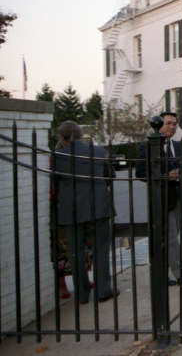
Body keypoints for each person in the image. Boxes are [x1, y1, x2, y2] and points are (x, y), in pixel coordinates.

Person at [52, 121, 116, 304]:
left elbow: (54, 183)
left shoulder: (58, 156)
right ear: (80, 135)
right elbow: (109, 175)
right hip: (98, 206)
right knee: (101, 249)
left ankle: (82, 293)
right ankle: (103, 290)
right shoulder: (98, 151)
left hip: (70, 210)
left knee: (75, 252)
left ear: (62, 138)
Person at [136, 111, 182, 286]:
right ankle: (179, 274)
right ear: (159, 124)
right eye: (168, 123)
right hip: (161, 199)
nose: (172, 127)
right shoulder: (147, 147)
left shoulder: (178, 146)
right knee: (170, 239)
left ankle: (162, 275)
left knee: (171, 237)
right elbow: (141, 173)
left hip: (180, 198)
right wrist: (165, 176)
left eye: (174, 123)